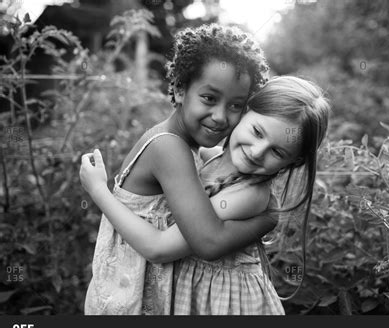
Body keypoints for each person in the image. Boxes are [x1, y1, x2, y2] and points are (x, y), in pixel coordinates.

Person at [81, 76, 330, 315]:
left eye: (276, 151)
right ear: (244, 111)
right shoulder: (209, 156)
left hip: (221, 303)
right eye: (257, 131)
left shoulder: (248, 195)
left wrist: (98, 191)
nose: (257, 151)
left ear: (293, 162)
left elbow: (158, 248)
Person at [81, 23, 271, 315]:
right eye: (209, 98)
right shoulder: (169, 148)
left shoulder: (186, 145)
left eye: (236, 105)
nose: (220, 116)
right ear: (181, 89)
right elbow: (208, 241)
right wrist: (267, 219)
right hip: (131, 303)